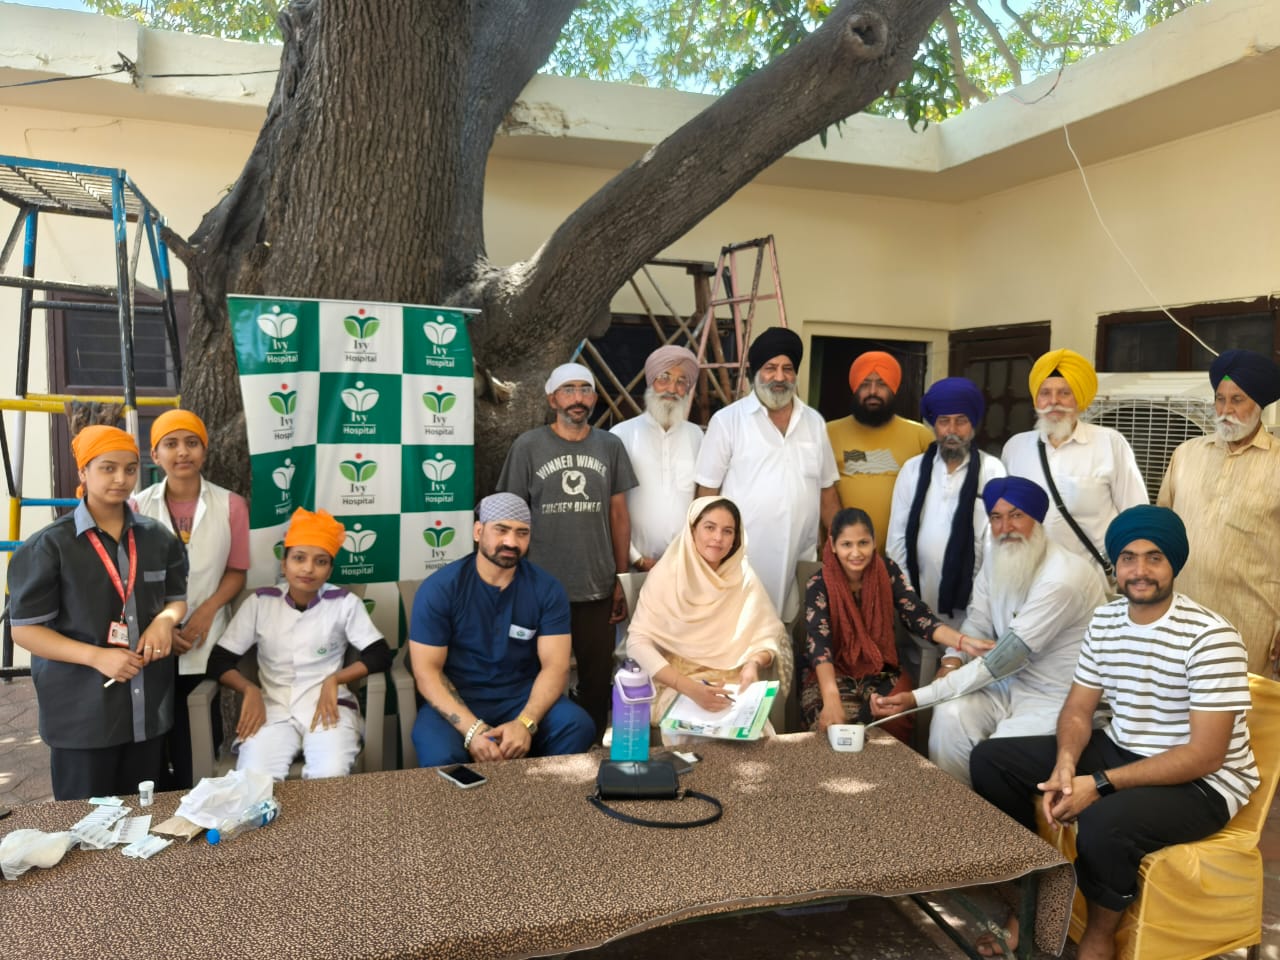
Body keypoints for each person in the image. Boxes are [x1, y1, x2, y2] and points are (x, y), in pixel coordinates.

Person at [970, 505, 1258, 960]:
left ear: (1174, 564)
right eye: (1128, 558)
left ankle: (1099, 935)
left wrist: (1100, 784)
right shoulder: (1106, 621)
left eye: (1154, 558)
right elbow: (1078, 710)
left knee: (1105, 821)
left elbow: (1206, 755)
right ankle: (1028, 895)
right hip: (1122, 746)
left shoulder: (1210, 636)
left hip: (1203, 783)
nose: (1140, 571)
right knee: (992, 760)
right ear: (1116, 566)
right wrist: (1066, 764)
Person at [872, 476, 1106, 785]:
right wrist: (951, 661)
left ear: (1036, 519)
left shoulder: (1063, 578)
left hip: (1055, 698)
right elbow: (977, 622)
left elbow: (1003, 659)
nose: (1005, 527)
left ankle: (990, 814)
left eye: (1016, 515)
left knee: (997, 753)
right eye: (996, 517)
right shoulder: (999, 558)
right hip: (1004, 686)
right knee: (950, 716)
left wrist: (918, 697)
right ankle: (951, 805)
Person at [8, 425, 188, 801]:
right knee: (85, 823)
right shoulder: (49, 547)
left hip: (147, 712)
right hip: (82, 719)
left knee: (143, 816)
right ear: (83, 472)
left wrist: (165, 620)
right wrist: (96, 657)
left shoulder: (159, 538)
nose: (121, 479)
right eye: (108, 468)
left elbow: (176, 598)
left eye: (130, 469)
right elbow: (25, 631)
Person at [497, 362, 638, 738]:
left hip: (596, 586)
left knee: (596, 680)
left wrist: (621, 578)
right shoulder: (528, 446)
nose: (578, 398)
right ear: (552, 399)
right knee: (533, 675)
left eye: (585, 390)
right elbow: (510, 515)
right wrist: (510, 579)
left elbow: (619, 514)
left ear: (594, 397)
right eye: (569, 390)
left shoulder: (610, 446)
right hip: (538, 588)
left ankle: (589, 750)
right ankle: (534, 747)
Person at [408, 493, 595, 765]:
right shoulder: (441, 588)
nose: (511, 542)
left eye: (522, 533)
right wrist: (472, 730)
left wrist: (525, 723)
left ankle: (539, 792)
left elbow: (556, 667)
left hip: (521, 698)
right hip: (458, 698)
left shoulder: (547, 589)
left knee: (577, 725)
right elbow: (426, 672)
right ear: (478, 531)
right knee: (440, 754)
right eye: (501, 530)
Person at [206, 507, 391, 780]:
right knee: (254, 779)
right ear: (284, 564)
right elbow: (219, 660)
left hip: (328, 708)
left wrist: (335, 680)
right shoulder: (260, 602)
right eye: (299, 558)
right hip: (272, 710)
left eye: (320, 561)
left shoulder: (344, 603)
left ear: (330, 569)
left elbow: (379, 654)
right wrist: (249, 689)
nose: (308, 568)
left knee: (330, 774)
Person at [132, 409, 250, 788]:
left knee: (196, 743)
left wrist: (206, 613)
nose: (182, 452)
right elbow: (130, 580)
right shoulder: (136, 508)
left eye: (191, 443)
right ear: (155, 454)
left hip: (205, 635)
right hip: (151, 640)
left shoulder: (231, 505)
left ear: (204, 450)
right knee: (151, 746)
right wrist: (163, 624)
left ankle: (196, 807)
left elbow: (236, 571)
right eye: (171, 444)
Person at [695, 327, 839, 620]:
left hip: (799, 561)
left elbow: (828, 494)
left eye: (787, 368)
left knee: (790, 636)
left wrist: (840, 549)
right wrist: (704, 557)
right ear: (755, 373)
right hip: (740, 562)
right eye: (770, 368)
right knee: (740, 634)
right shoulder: (728, 421)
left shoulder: (814, 422)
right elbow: (706, 495)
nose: (779, 377)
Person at [799, 507, 977, 743]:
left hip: (882, 672)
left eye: (863, 543)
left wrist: (964, 642)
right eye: (846, 544)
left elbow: (918, 615)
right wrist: (831, 699)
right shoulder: (819, 584)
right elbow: (818, 644)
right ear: (832, 545)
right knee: (834, 728)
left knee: (893, 720)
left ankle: (892, 768)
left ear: (874, 542)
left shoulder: (887, 571)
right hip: (833, 672)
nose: (856, 553)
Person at [1157, 349, 1280, 676]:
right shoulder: (1186, 454)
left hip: (1251, 621)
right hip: (1180, 614)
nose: (1226, 410)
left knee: (1239, 703)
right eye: (1220, 399)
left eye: (1237, 400)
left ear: (1259, 404)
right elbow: (1161, 530)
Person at [625, 496, 785, 729]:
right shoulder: (667, 575)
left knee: (756, 735)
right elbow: (637, 644)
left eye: (727, 531)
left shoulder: (743, 577)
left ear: (736, 538)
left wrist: (753, 663)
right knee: (695, 735)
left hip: (732, 684)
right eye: (710, 527)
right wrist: (689, 688)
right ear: (692, 530)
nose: (718, 538)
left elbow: (768, 636)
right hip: (678, 683)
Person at [1001, 348, 1146, 585]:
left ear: (1079, 398)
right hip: (1028, 580)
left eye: (1064, 393)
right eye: (1045, 393)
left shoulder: (1109, 443)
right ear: (1036, 400)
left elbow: (1136, 515)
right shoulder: (1016, 447)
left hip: (1091, 582)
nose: (1053, 401)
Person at [887, 377, 1006, 628]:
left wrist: (981, 605)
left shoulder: (992, 471)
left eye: (961, 421)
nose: (952, 430)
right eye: (944, 421)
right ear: (934, 425)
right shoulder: (912, 470)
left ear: (973, 424)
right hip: (917, 602)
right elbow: (896, 541)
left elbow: (996, 545)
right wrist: (908, 600)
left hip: (973, 607)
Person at [827, 351, 934, 552]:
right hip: (845, 555)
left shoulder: (921, 436)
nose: (873, 391)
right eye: (865, 384)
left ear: (894, 388)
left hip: (902, 555)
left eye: (882, 384)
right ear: (854, 388)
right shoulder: (828, 433)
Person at [610, 345, 703, 572]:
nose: (672, 388)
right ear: (651, 381)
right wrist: (636, 559)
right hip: (634, 566)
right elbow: (611, 508)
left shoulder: (697, 436)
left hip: (686, 564)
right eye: (664, 378)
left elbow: (702, 501)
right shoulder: (621, 435)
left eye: (681, 381)